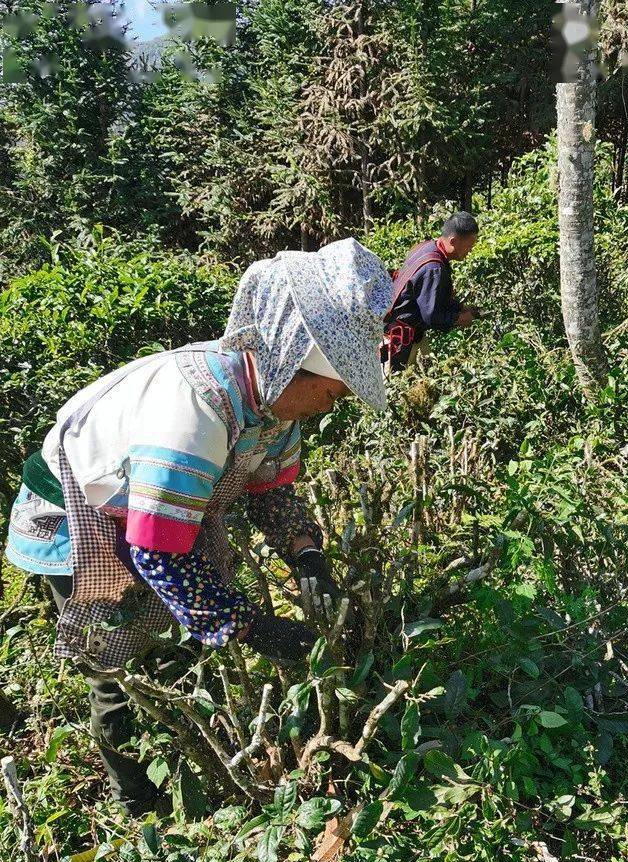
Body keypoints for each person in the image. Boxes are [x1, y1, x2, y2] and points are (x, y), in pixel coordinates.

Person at [6, 238, 393, 816]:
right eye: (333, 390)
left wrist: (308, 557)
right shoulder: (195, 406)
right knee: (117, 667)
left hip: (158, 516)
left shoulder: (276, 405)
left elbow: (272, 493)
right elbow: (159, 555)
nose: (331, 404)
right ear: (293, 359)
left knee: (175, 643)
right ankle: (136, 801)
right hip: (74, 516)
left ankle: (188, 762)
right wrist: (251, 626)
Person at [382, 210, 480, 372]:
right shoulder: (434, 269)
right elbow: (432, 316)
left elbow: (425, 295)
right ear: (453, 241)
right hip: (401, 340)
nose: (470, 250)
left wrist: (459, 307)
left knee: (428, 377)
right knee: (396, 387)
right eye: (469, 245)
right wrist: (459, 319)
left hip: (408, 331)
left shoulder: (426, 247)